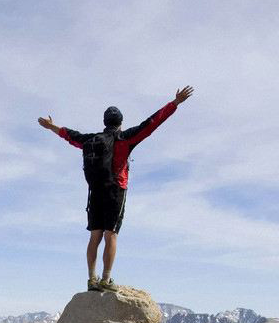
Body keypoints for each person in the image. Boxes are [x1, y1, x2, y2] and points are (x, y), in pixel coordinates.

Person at [38, 85, 194, 292]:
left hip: (94, 191)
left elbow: (69, 135)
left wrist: (51, 127)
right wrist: (174, 103)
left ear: (104, 123)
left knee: (95, 235)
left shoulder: (90, 140)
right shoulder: (125, 138)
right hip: (115, 191)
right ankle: (106, 279)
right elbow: (152, 123)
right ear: (120, 123)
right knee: (111, 234)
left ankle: (91, 279)